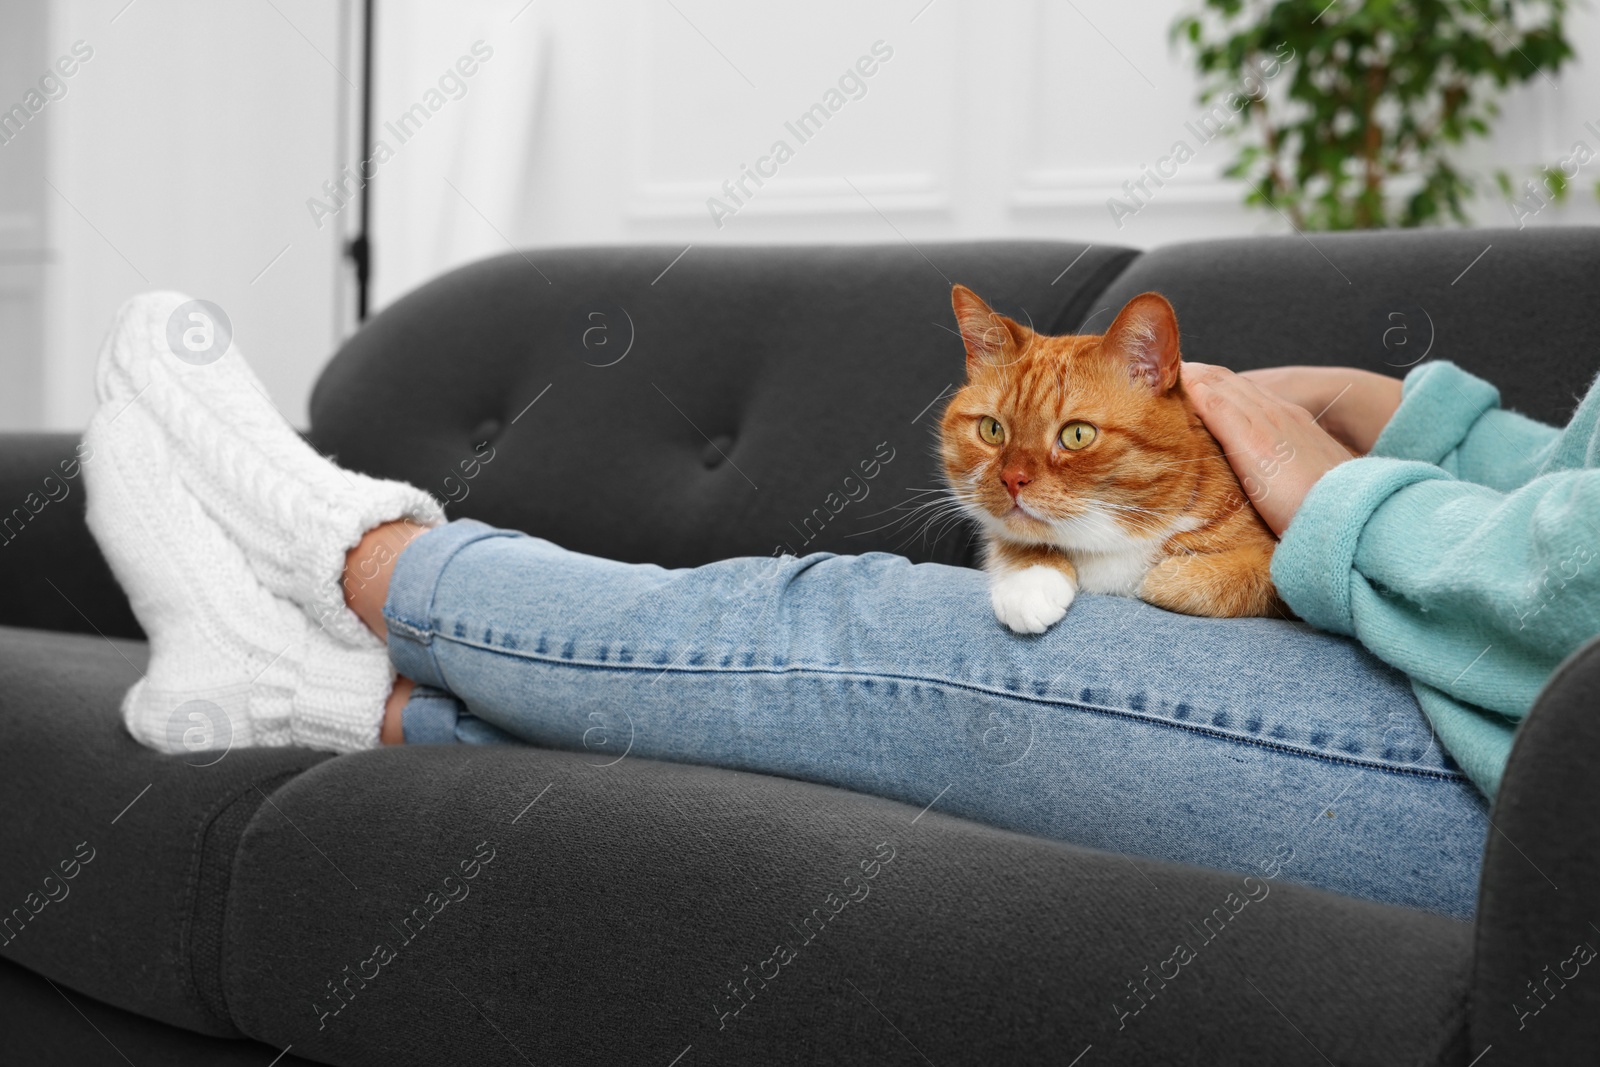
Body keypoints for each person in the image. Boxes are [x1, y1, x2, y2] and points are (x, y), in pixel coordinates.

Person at [82, 294, 1600, 922]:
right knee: (798, 731)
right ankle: (337, 695)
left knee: (858, 630)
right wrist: (1422, 427)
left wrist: (1340, 505)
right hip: (1511, 699)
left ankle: (328, 546)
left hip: (1534, 776)